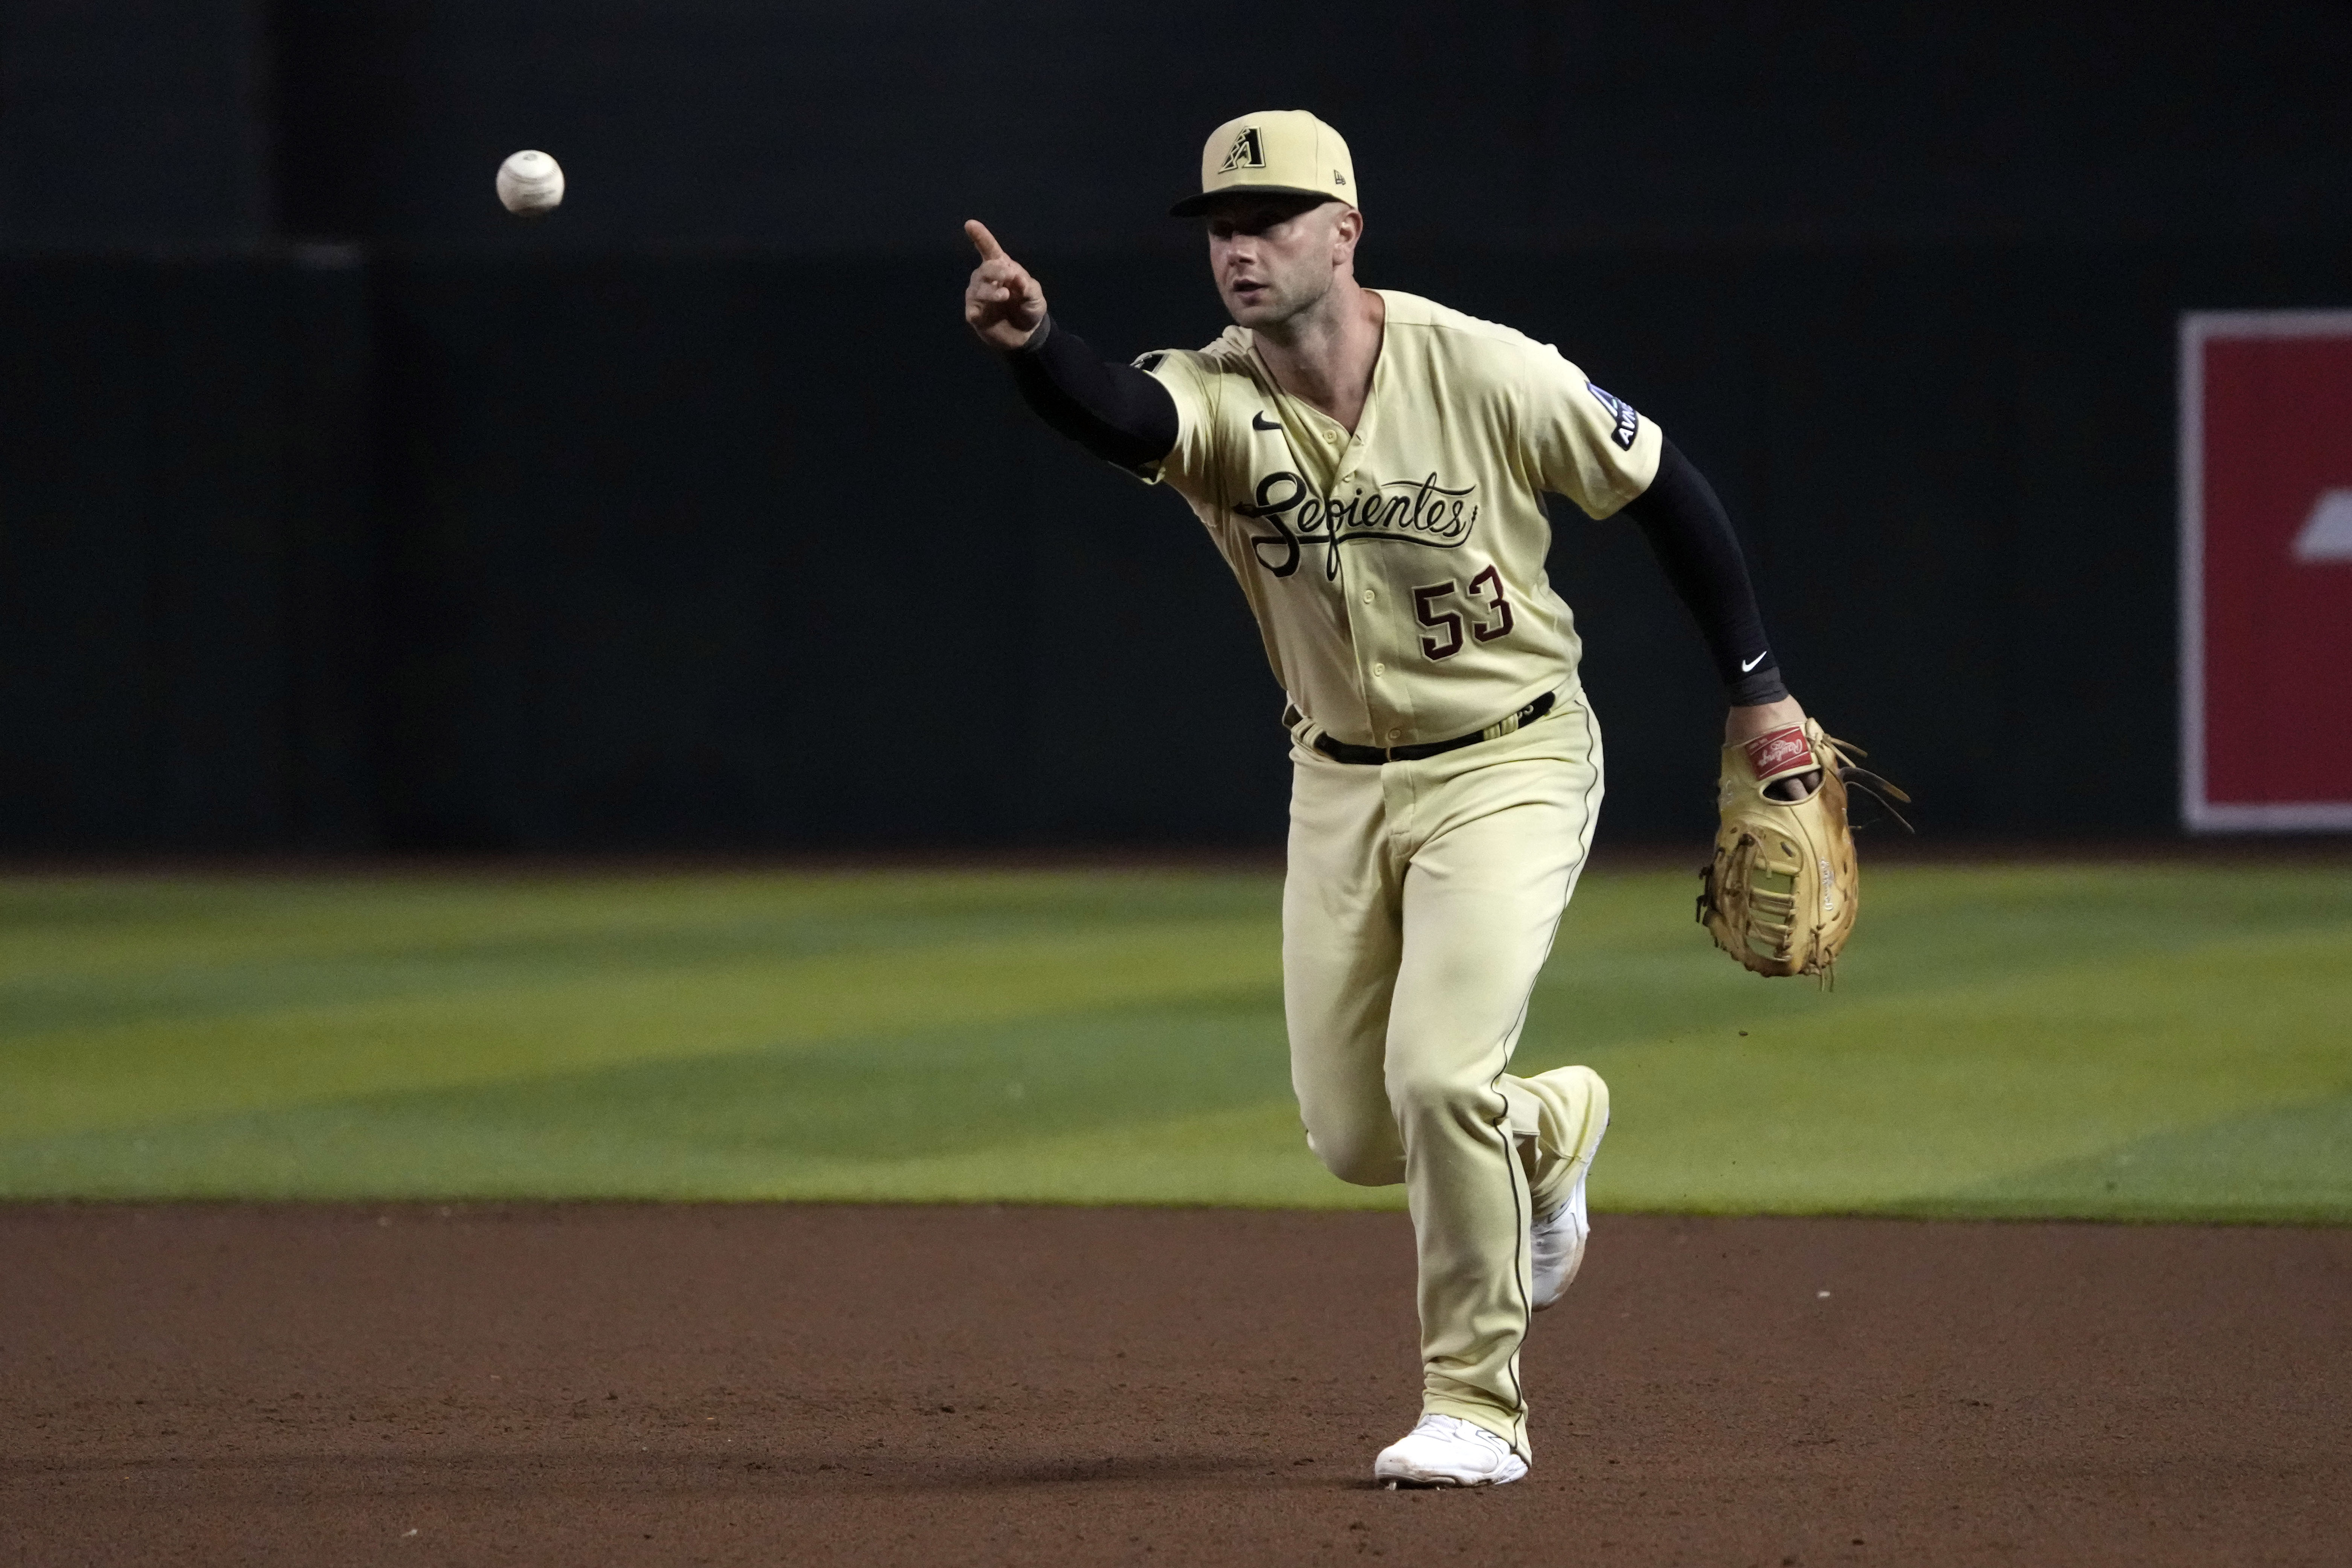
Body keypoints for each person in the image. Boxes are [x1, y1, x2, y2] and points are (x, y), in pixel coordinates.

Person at [962, 110, 1809, 1489]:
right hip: (1339, 786)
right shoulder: (1223, 397)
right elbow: (1125, 410)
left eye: (1274, 219)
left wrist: (1759, 682)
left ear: (1344, 233)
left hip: (1513, 759)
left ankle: (1477, 1404)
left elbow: (1666, 488)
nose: (1241, 247)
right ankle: (1551, 1123)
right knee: (1360, 1135)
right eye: (1224, 227)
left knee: (1432, 1074)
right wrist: (1036, 348)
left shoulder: (1483, 367)